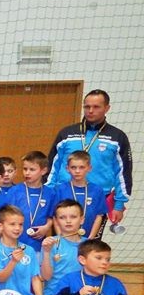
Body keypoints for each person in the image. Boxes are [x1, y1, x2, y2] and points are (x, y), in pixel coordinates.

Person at [46, 89, 132, 229]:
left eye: (96, 107)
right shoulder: (66, 134)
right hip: (63, 197)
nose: (90, 111)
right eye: (87, 106)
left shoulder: (117, 137)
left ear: (107, 108)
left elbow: (123, 173)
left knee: (92, 242)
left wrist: (119, 204)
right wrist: (47, 194)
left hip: (98, 198)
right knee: (61, 240)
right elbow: (51, 167)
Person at [6, 151, 54, 251]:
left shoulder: (50, 193)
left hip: (38, 245)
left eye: (32, 169)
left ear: (43, 171)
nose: (27, 173)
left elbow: (52, 216)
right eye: (25, 169)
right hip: (15, 244)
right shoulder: (14, 191)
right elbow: (6, 217)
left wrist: (46, 227)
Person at [53, 151, 107, 238]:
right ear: (67, 168)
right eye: (73, 167)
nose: (77, 171)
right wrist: (61, 238)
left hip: (88, 238)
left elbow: (99, 216)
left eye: (81, 167)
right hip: (65, 238)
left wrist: (91, 238)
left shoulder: (97, 190)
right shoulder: (60, 189)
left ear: (89, 168)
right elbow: (55, 216)